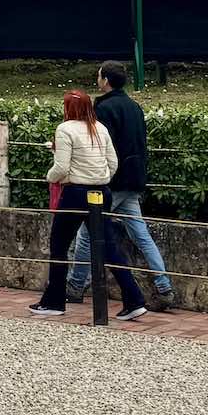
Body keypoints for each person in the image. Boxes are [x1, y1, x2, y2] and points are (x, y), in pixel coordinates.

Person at [33, 68, 157, 321]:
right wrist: (100, 179)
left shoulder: (65, 129)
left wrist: (51, 177)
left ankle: (55, 300)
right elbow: (112, 162)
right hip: (101, 191)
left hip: (76, 192)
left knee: (59, 245)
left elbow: (62, 167)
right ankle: (133, 298)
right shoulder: (99, 127)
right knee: (109, 247)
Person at [64, 62, 179, 313]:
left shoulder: (103, 108)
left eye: (98, 76)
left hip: (113, 180)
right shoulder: (134, 106)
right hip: (134, 177)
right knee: (140, 234)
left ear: (105, 80)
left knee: (87, 233)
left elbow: (101, 146)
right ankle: (163, 286)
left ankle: (75, 285)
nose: (97, 80)